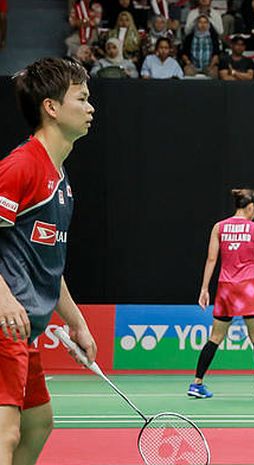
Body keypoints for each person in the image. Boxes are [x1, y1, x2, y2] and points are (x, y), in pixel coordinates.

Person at [0, 57, 98, 465]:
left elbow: (48, 268)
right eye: (82, 98)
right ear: (52, 107)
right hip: (5, 322)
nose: (91, 108)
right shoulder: (21, 166)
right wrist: (3, 298)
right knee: (6, 433)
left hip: (26, 329)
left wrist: (76, 322)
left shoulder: (61, 182)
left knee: (39, 423)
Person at [190, 189, 254, 401]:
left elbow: (211, 260)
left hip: (226, 288)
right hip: (249, 287)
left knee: (215, 338)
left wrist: (204, 288)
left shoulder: (218, 227)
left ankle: (196, 383)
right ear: (251, 207)